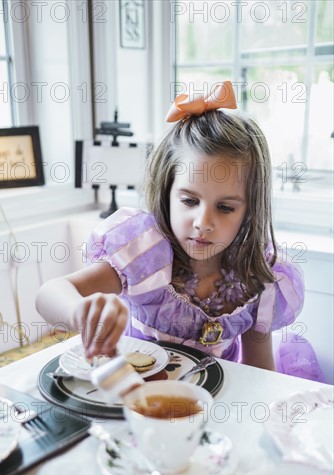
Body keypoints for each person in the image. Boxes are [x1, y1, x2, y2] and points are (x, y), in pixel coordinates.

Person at [36, 81, 304, 371]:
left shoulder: (258, 280)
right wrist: (80, 311)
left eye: (225, 207)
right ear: (167, 192)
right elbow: (48, 294)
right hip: (138, 402)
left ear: (250, 209)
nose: (203, 224)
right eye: (189, 201)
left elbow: (259, 372)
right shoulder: (141, 254)